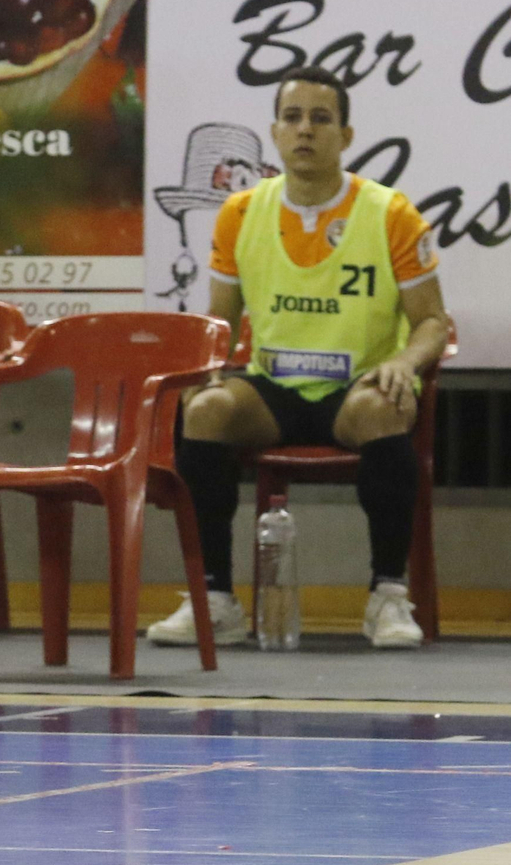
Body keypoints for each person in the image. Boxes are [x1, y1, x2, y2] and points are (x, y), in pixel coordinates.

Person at [148, 65, 449, 651]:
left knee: (384, 407)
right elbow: (218, 324)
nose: (305, 130)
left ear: (346, 135)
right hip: (273, 390)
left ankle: (387, 595)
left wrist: (406, 363)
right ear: (275, 132)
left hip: (354, 391)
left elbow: (433, 322)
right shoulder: (240, 212)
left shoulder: (391, 213)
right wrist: (203, 372)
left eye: (320, 118)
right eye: (292, 118)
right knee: (205, 410)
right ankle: (215, 598)